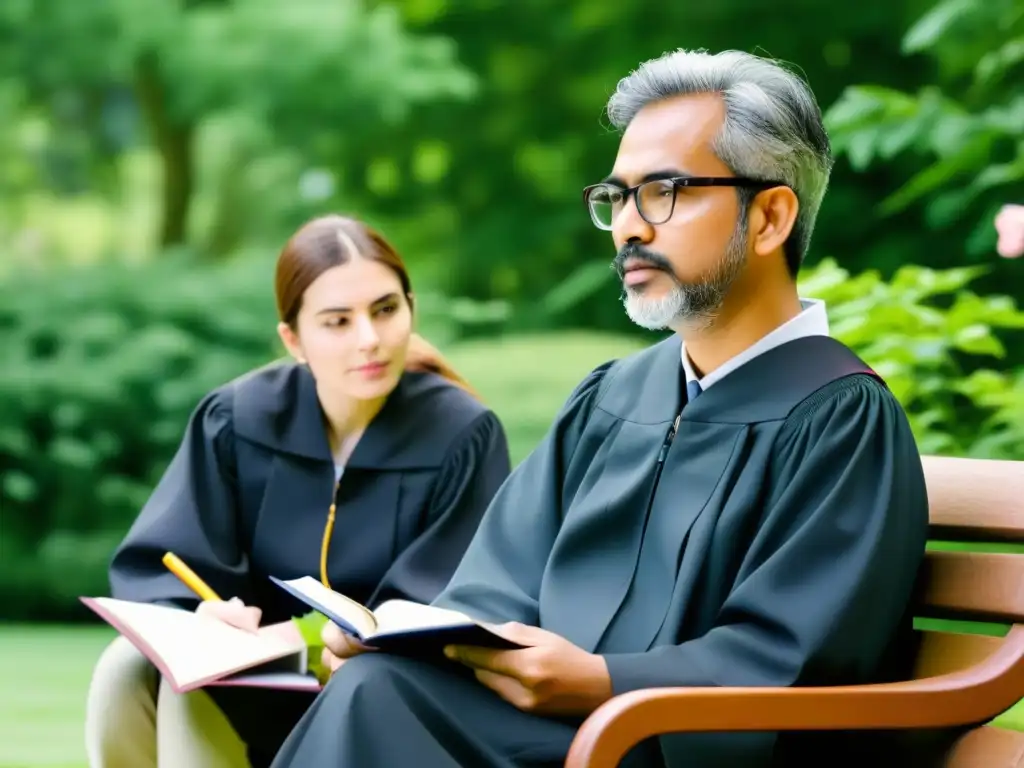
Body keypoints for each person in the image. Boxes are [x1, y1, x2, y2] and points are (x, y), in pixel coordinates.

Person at [270, 49, 930, 768]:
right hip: (561, 737)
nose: (629, 229)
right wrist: (412, 636)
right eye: (618, 198)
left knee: (380, 700)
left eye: (665, 192)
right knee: (382, 678)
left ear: (770, 216)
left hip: (674, 750)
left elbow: (794, 659)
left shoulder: (839, 417)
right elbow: (498, 584)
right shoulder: (614, 398)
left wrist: (604, 683)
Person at [83, 214, 513, 768]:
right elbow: (163, 571)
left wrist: (298, 637)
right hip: (252, 689)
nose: (370, 340)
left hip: (373, 692)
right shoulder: (236, 420)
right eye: (337, 321)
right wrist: (198, 615)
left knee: (189, 688)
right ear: (294, 339)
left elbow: (438, 607)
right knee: (128, 668)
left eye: (386, 310)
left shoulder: (460, 435)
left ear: (411, 308)